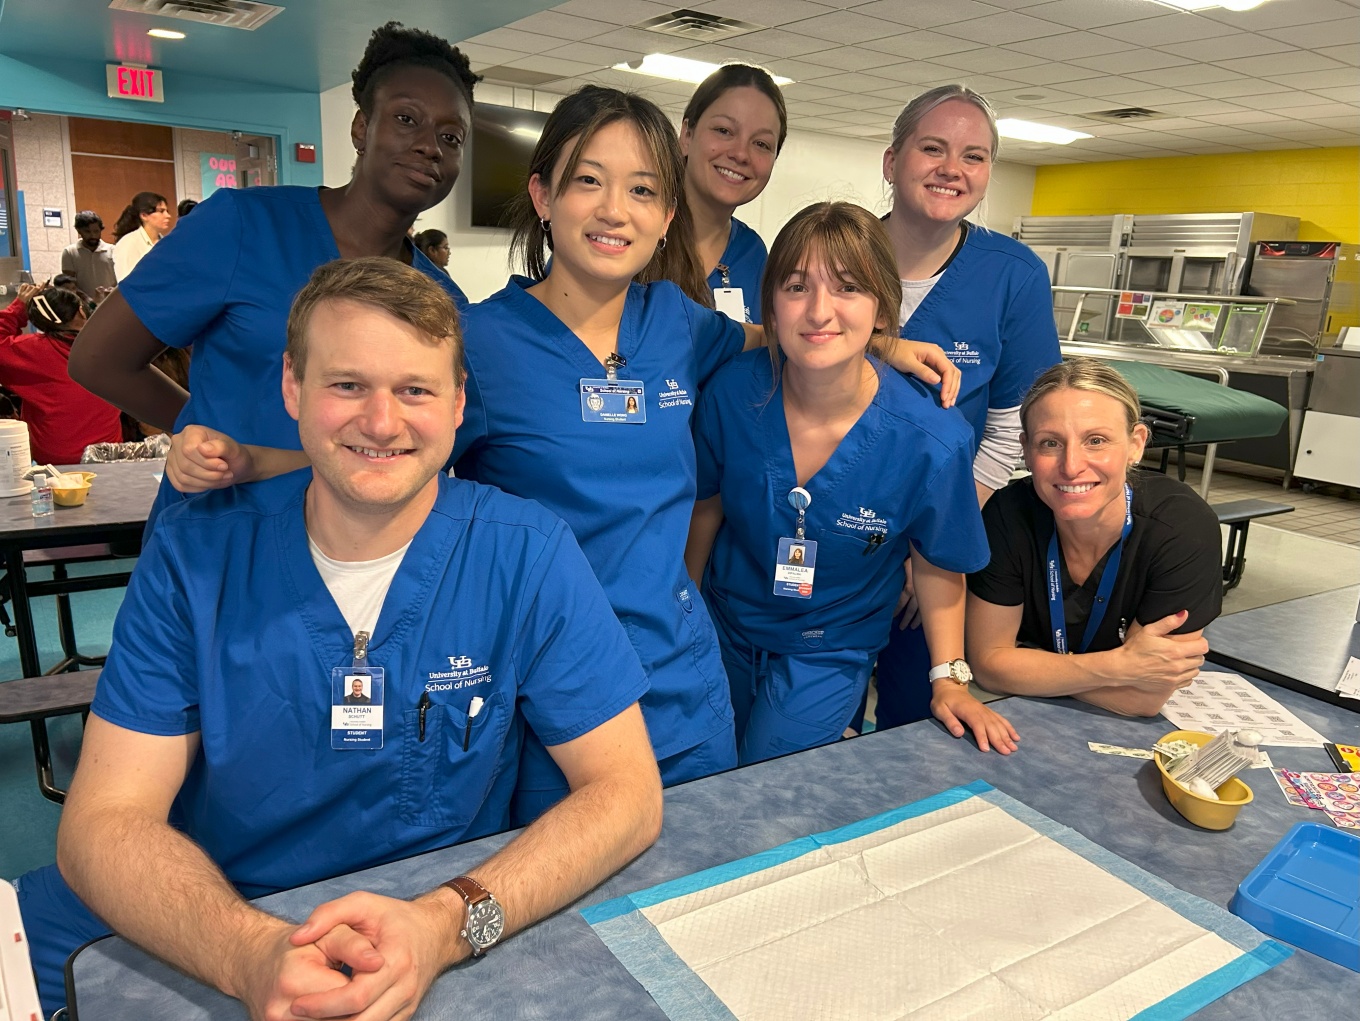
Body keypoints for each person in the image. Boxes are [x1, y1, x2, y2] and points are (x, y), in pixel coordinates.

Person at [165, 86, 960, 823]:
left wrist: (882, 342)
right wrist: (245, 461)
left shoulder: (679, 326)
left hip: (682, 679)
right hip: (552, 691)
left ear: (666, 213)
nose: (616, 210)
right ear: (544, 197)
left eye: (643, 189)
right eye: (589, 181)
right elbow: (381, 454)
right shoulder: (478, 340)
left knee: (713, 874)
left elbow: (784, 335)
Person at [16, 257, 662, 1020]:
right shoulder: (198, 555)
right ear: (293, 386)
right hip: (213, 909)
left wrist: (449, 923)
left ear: (458, 404)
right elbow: (103, 822)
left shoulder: (526, 553)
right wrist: (247, 952)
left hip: (426, 924)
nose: (382, 422)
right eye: (347, 385)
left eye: (415, 389)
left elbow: (626, 793)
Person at [68, 21, 477, 535]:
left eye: (450, 137)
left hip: (357, 553)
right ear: (360, 127)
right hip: (219, 531)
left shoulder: (440, 299)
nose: (429, 146)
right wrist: (206, 434)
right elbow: (98, 359)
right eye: (406, 119)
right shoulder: (242, 227)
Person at [686, 202, 1017, 764]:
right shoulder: (732, 394)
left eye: (847, 288)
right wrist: (685, 618)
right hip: (725, 624)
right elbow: (706, 506)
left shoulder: (930, 438)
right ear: (771, 304)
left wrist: (950, 679)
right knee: (698, 775)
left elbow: (938, 561)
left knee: (773, 784)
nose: (819, 311)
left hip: (830, 643)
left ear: (882, 309)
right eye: (796, 287)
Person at [872, 84, 1062, 731]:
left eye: (973, 156)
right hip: (815, 535)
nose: (952, 168)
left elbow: (1016, 429)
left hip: (933, 547)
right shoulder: (836, 253)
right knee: (798, 723)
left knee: (910, 722)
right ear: (892, 161)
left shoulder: (1013, 275)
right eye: (933, 148)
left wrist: (934, 542)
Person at [967, 358, 1222, 717]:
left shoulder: (1183, 530)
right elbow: (989, 667)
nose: (1071, 466)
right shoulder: (1008, 515)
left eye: (1096, 440)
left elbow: (1142, 698)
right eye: (1050, 443)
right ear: (1026, 449)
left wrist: (1029, 664)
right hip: (1017, 716)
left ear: (1136, 444)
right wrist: (1119, 667)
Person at [681, 63, 786, 323]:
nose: (740, 154)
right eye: (724, 131)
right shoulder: (636, 234)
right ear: (687, 134)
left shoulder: (752, 254)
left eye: (761, 144)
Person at [0, 283, 121, 464]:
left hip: (54, 462)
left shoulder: (33, 351)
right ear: (81, 311)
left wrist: (18, 307)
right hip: (109, 455)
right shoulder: (111, 343)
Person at [110, 191, 172, 281]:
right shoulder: (128, 244)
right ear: (144, 215)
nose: (168, 216)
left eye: (167, 211)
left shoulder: (166, 242)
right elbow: (126, 283)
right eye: (161, 211)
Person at [60, 210, 116, 300]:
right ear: (79, 231)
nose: (93, 235)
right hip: (82, 304)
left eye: (96, 231)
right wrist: (88, 300)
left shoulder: (113, 250)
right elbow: (68, 284)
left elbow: (122, 279)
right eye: (87, 231)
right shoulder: (69, 252)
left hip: (110, 303)